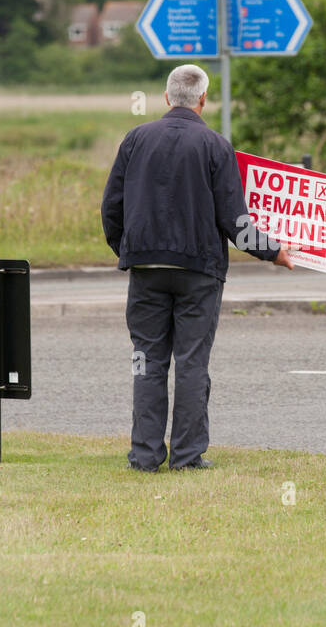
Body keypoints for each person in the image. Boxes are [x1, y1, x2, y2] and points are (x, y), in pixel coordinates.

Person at [101, 64, 293, 472]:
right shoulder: (215, 146)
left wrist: (128, 249)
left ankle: (146, 455)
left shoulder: (135, 139)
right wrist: (274, 252)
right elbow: (235, 221)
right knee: (191, 363)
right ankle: (187, 457)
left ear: (167, 97)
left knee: (147, 361)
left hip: (146, 268)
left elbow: (111, 208)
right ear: (203, 100)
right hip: (199, 273)